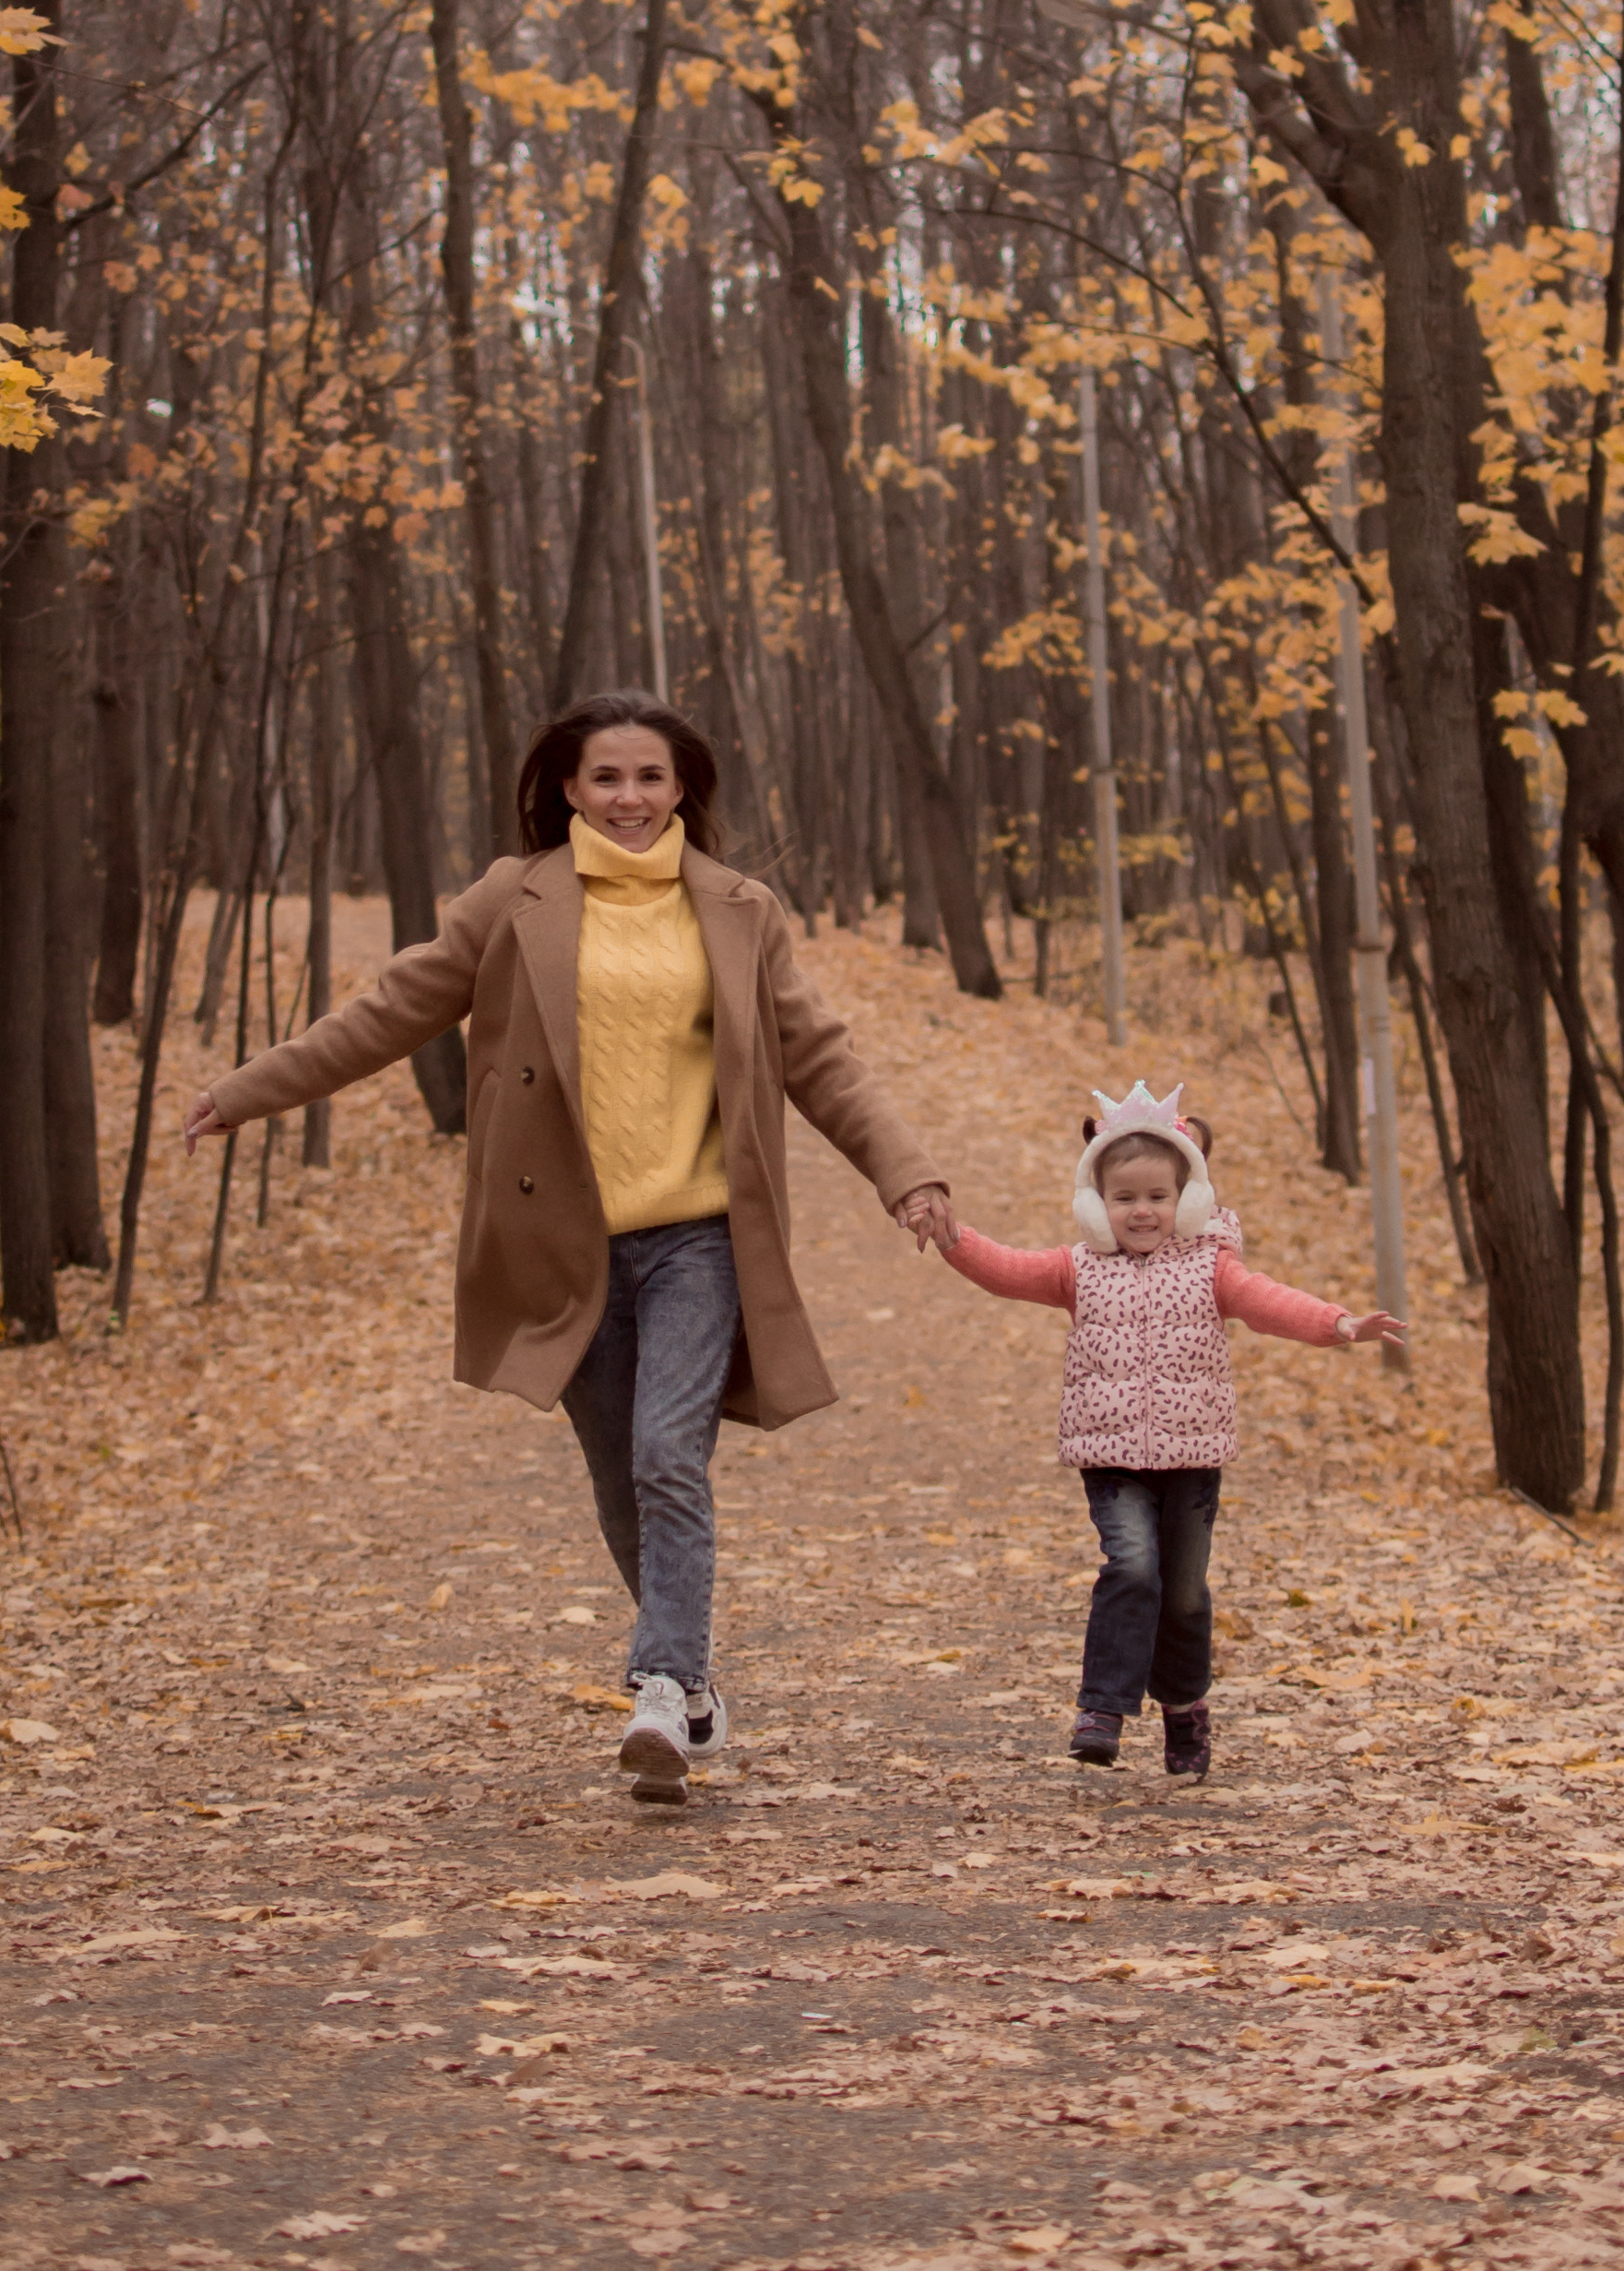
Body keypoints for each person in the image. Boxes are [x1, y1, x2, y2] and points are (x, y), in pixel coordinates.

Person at [184, 690, 952, 1805]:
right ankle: (694, 1699)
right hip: (566, 1244)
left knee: (665, 1455)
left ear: (683, 785)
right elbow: (389, 1011)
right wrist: (250, 1090)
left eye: (649, 776)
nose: (629, 798)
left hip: (698, 1235)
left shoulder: (739, 909)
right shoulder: (515, 898)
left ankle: (658, 1682)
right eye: (606, 778)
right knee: (620, 1483)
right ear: (567, 789)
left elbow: (820, 1057)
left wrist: (905, 1171)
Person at [937, 1080, 1404, 1780]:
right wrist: (950, 1235)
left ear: (1187, 1200)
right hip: (1112, 1456)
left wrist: (1338, 1325)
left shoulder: (1212, 1269)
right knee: (1131, 1565)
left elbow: (1271, 1304)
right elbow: (1004, 1270)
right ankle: (1102, 1709)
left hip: (1192, 1456)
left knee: (1182, 1592)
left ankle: (1183, 1706)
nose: (1142, 1212)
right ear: (1097, 1204)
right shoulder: (1078, 1269)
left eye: (1158, 1197)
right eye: (1124, 1198)